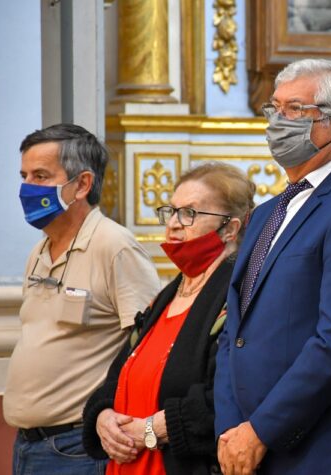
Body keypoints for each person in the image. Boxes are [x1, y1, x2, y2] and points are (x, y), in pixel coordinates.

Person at [214, 58, 331, 475]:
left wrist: (261, 431)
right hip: (243, 446)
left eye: (294, 109)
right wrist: (230, 430)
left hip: (317, 450)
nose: (277, 121)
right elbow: (234, 332)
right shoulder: (267, 213)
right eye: (274, 108)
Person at [4, 124, 161, 474]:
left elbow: (149, 345)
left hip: (77, 447)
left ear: (82, 184)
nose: (27, 188)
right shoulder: (39, 251)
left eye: (41, 176)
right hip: (28, 445)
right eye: (24, 176)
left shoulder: (114, 246)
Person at [82, 163, 255, 475]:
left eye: (189, 213)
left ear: (230, 228)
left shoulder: (237, 293)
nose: (173, 224)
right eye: (171, 212)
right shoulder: (168, 295)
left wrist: (152, 430)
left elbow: (228, 395)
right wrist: (103, 416)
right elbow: (120, 374)